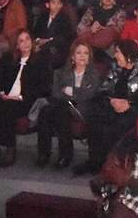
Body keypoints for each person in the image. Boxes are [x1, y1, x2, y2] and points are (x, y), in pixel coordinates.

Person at [77, 39, 138, 174]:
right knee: (95, 120)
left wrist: (129, 103)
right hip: (113, 105)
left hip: (135, 108)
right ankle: (95, 162)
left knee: (117, 126)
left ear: (127, 54)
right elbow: (104, 89)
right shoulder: (116, 67)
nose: (115, 55)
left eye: (117, 52)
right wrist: (112, 100)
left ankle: (114, 165)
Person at [0, 30, 50, 166]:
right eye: (21, 41)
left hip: (25, 100)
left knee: (7, 108)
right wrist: (1, 92)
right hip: (7, 97)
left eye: (27, 39)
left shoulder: (40, 61)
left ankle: (9, 148)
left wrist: (19, 97)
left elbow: (42, 87)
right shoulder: (9, 59)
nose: (26, 43)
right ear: (17, 45)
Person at [36, 40, 106, 169]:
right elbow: (56, 93)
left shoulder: (94, 74)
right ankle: (44, 154)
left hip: (83, 110)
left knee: (57, 110)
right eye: (78, 53)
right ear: (72, 56)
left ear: (89, 56)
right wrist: (73, 94)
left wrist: (71, 91)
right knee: (46, 111)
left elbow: (89, 94)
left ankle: (65, 155)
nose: (82, 56)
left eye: (85, 53)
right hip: (62, 107)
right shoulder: (61, 72)